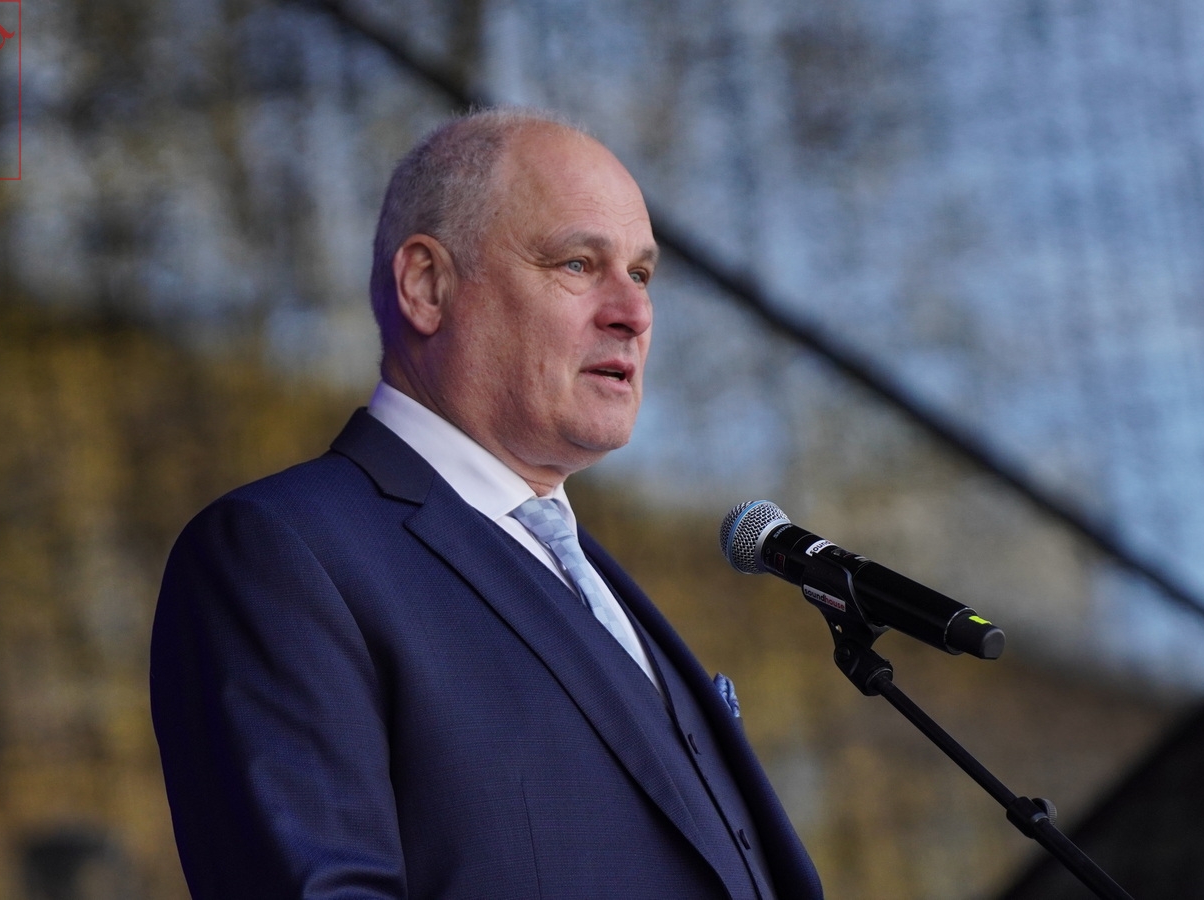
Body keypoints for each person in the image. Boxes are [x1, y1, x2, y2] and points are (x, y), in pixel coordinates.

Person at [150, 108, 824, 899]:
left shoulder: (593, 577)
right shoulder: (282, 555)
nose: (634, 314)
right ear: (426, 286)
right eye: (578, 263)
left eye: (641, 275)